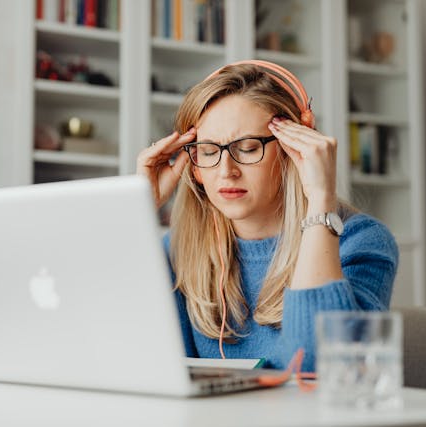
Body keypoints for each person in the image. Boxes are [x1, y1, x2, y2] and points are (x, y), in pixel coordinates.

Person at [136, 60, 398, 372]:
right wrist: (138, 210)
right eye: (207, 152)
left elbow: (317, 367)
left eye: (247, 148)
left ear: (293, 150)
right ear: (193, 166)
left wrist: (319, 200)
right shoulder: (178, 249)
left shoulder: (361, 242)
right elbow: (138, 358)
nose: (226, 171)